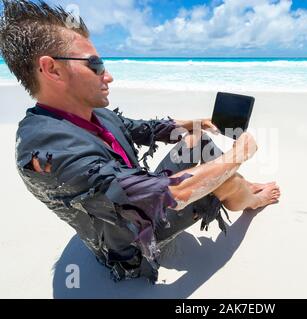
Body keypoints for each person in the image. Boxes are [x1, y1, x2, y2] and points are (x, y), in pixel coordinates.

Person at [0, 0, 281, 283]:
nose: (108, 75)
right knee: (220, 179)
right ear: (52, 70)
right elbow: (172, 194)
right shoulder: (50, 153)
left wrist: (192, 123)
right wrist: (238, 155)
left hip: (133, 197)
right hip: (131, 243)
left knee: (199, 141)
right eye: (95, 65)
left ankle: (236, 181)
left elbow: (138, 128)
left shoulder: (86, 111)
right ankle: (245, 198)